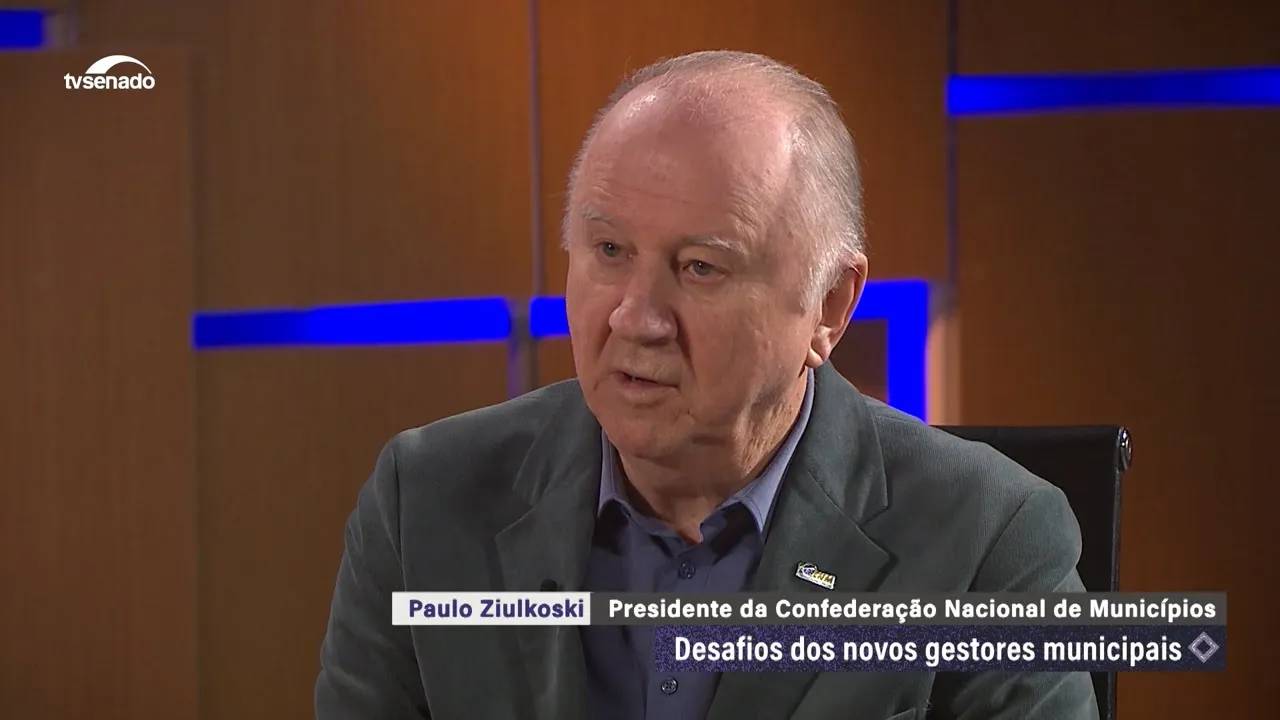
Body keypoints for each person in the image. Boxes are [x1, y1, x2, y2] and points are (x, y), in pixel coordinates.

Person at [314, 50, 1098, 720]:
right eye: (609, 251)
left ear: (829, 307)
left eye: (699, 268)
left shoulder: (988, 541)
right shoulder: (427, 501)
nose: (636, 318)